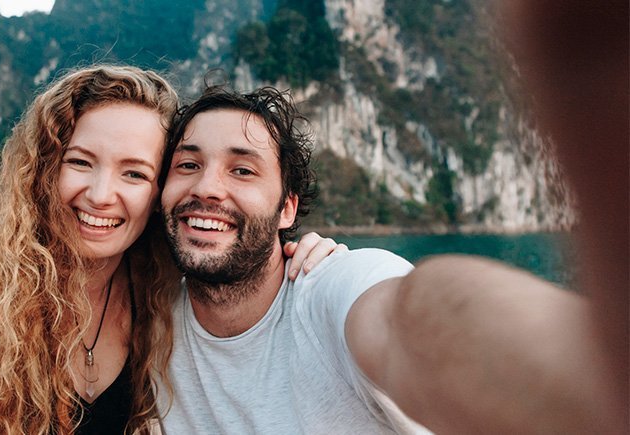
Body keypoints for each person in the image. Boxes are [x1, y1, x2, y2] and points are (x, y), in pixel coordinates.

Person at [0, 65, 338, 434]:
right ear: (41, 172)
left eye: (135, 173)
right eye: (80, 162)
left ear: (161, 191)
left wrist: (302, 255)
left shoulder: (160, 295)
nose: (101, 194)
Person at [156, 82, 625, 434]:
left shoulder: (332, 289)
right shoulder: (146, 324)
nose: (206, 188)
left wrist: (596, 377)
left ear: (287, 208)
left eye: (242, 170)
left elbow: (415, 318)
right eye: (188, 165)